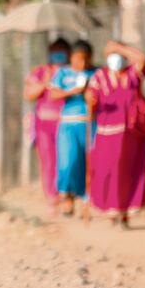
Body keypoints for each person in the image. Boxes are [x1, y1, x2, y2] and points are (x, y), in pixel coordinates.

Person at [86, 40, 145, 226]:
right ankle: (110, 208)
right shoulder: (100, 76)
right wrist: (90, 101)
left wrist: (117, 47)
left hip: (132, 132)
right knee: (107, 171)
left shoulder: (132, 73)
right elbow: (91, 101)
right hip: (107, 132)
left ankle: (124, 212)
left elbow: (141, 59)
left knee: (128, 172)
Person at [48, 40, 95, 218]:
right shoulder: (63, 73)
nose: (82, 63)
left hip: (90, 124)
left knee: (88, 163)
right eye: (78, 59)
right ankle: (66, 196)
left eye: (86, 59)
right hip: (68, 124)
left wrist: (91, 97)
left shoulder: (96, 73)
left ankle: (87, 199)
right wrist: (73, 91)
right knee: (68, 162)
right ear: (72, 58)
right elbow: (53, 94)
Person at [23, 38, 71, 212]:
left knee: (66, 161)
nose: (57, 55)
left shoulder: (72, 72)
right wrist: (45, 82)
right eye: (54, 51)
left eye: (61, 51)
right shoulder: (40, 72)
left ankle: (67, 196)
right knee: (49, 162)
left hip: (67, 124)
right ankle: (52, 199)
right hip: (43, 126)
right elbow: (28, 94)